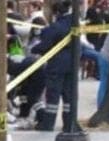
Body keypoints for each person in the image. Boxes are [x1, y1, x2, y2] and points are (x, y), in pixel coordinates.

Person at [32, 0, 79, 131]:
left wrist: (33, 49)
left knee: (53, 96)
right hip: (72, 65)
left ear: (56, 12)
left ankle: (48, 124)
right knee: (69, 96)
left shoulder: (55, 27)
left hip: (56, 66)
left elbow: (44, 46)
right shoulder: (75, 25)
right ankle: (69, 124)